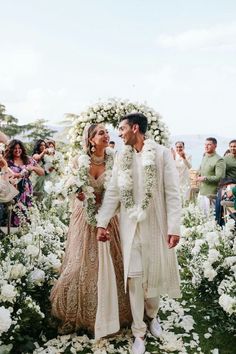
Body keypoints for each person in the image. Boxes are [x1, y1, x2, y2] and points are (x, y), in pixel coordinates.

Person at [96, 113, 181, 354]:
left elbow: (173, 193)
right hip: (129, 227)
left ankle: (153, 316)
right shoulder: (122, 156)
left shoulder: (162, 154)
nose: (119, 133)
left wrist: (174, 227)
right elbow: (113, 192)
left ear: (135, 128)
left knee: (153, 277)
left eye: (122, 128)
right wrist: (102, 223)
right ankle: (138, 332)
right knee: (134, 278)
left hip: (156, 226)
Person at [50, 124, 131, 337]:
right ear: (91, 139)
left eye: (107, 132)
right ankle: (80, 314)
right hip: (83, 218)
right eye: (101, 133)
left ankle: (114, 314)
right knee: (79, 264)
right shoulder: (78, 160)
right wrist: (77, 192)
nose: (106, 135)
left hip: (108, 216)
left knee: (113, 263)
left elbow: (122, 188)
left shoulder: (115, 160)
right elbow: (69, 183)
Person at [4, 139, 44, 226]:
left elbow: (42, 172)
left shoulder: (28, 159)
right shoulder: (7, 161)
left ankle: (26, 233)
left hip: (26, 189)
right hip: (13, 189)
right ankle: (13, 234)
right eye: (15, 148)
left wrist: (33, 168)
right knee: (14, 210)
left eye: (19, 148)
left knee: (26, 211)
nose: (17, 150)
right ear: (10, 149)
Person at [197, 137, 225, 215]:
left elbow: (220, 177)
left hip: (211, 194)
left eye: (209, 144)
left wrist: (205, 178)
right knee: (200, 216)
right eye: (205, 144)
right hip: (201, 192)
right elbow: (202, 170)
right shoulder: (204, 157)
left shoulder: (219, 160)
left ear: (215, 146)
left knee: (211, 219)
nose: (206, 146)